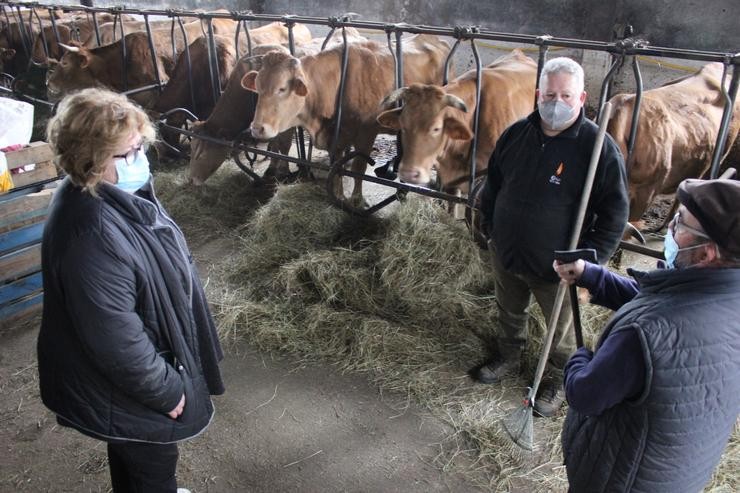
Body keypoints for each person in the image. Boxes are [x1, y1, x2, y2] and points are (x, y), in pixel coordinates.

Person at [37, 88, 225, 493]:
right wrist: (167, 392)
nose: (139, 161)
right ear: (90, 160)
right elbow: (115, 337)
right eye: (126, 154)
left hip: (121, 386)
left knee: (131, 448)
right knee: (152, 461)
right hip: (132, 383)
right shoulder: (94, 235)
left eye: (140, 148)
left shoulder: (104, 195)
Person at [553, 178, 740, 492]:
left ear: (706, 254)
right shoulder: (723, 297)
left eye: (680, 225)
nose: (669, 229)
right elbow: (664, 304)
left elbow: (584, 394)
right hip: (676, 473)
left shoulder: (642, 337)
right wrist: (593, 275)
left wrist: (579, 357)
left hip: (620, 479)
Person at [476, 57, 629, 417]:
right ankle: (509, 355)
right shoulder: (517, 134)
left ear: (582, 97)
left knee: (560, 326)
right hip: (508, 249)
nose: (556, 102)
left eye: (565, 95)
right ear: (537, 94)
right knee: (509, 309)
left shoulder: (597, 147)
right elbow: (493, 185)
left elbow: (615, 213)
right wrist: (490, 226)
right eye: (549, 94)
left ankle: (559, 376)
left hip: (559, 263)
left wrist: (589, 261)